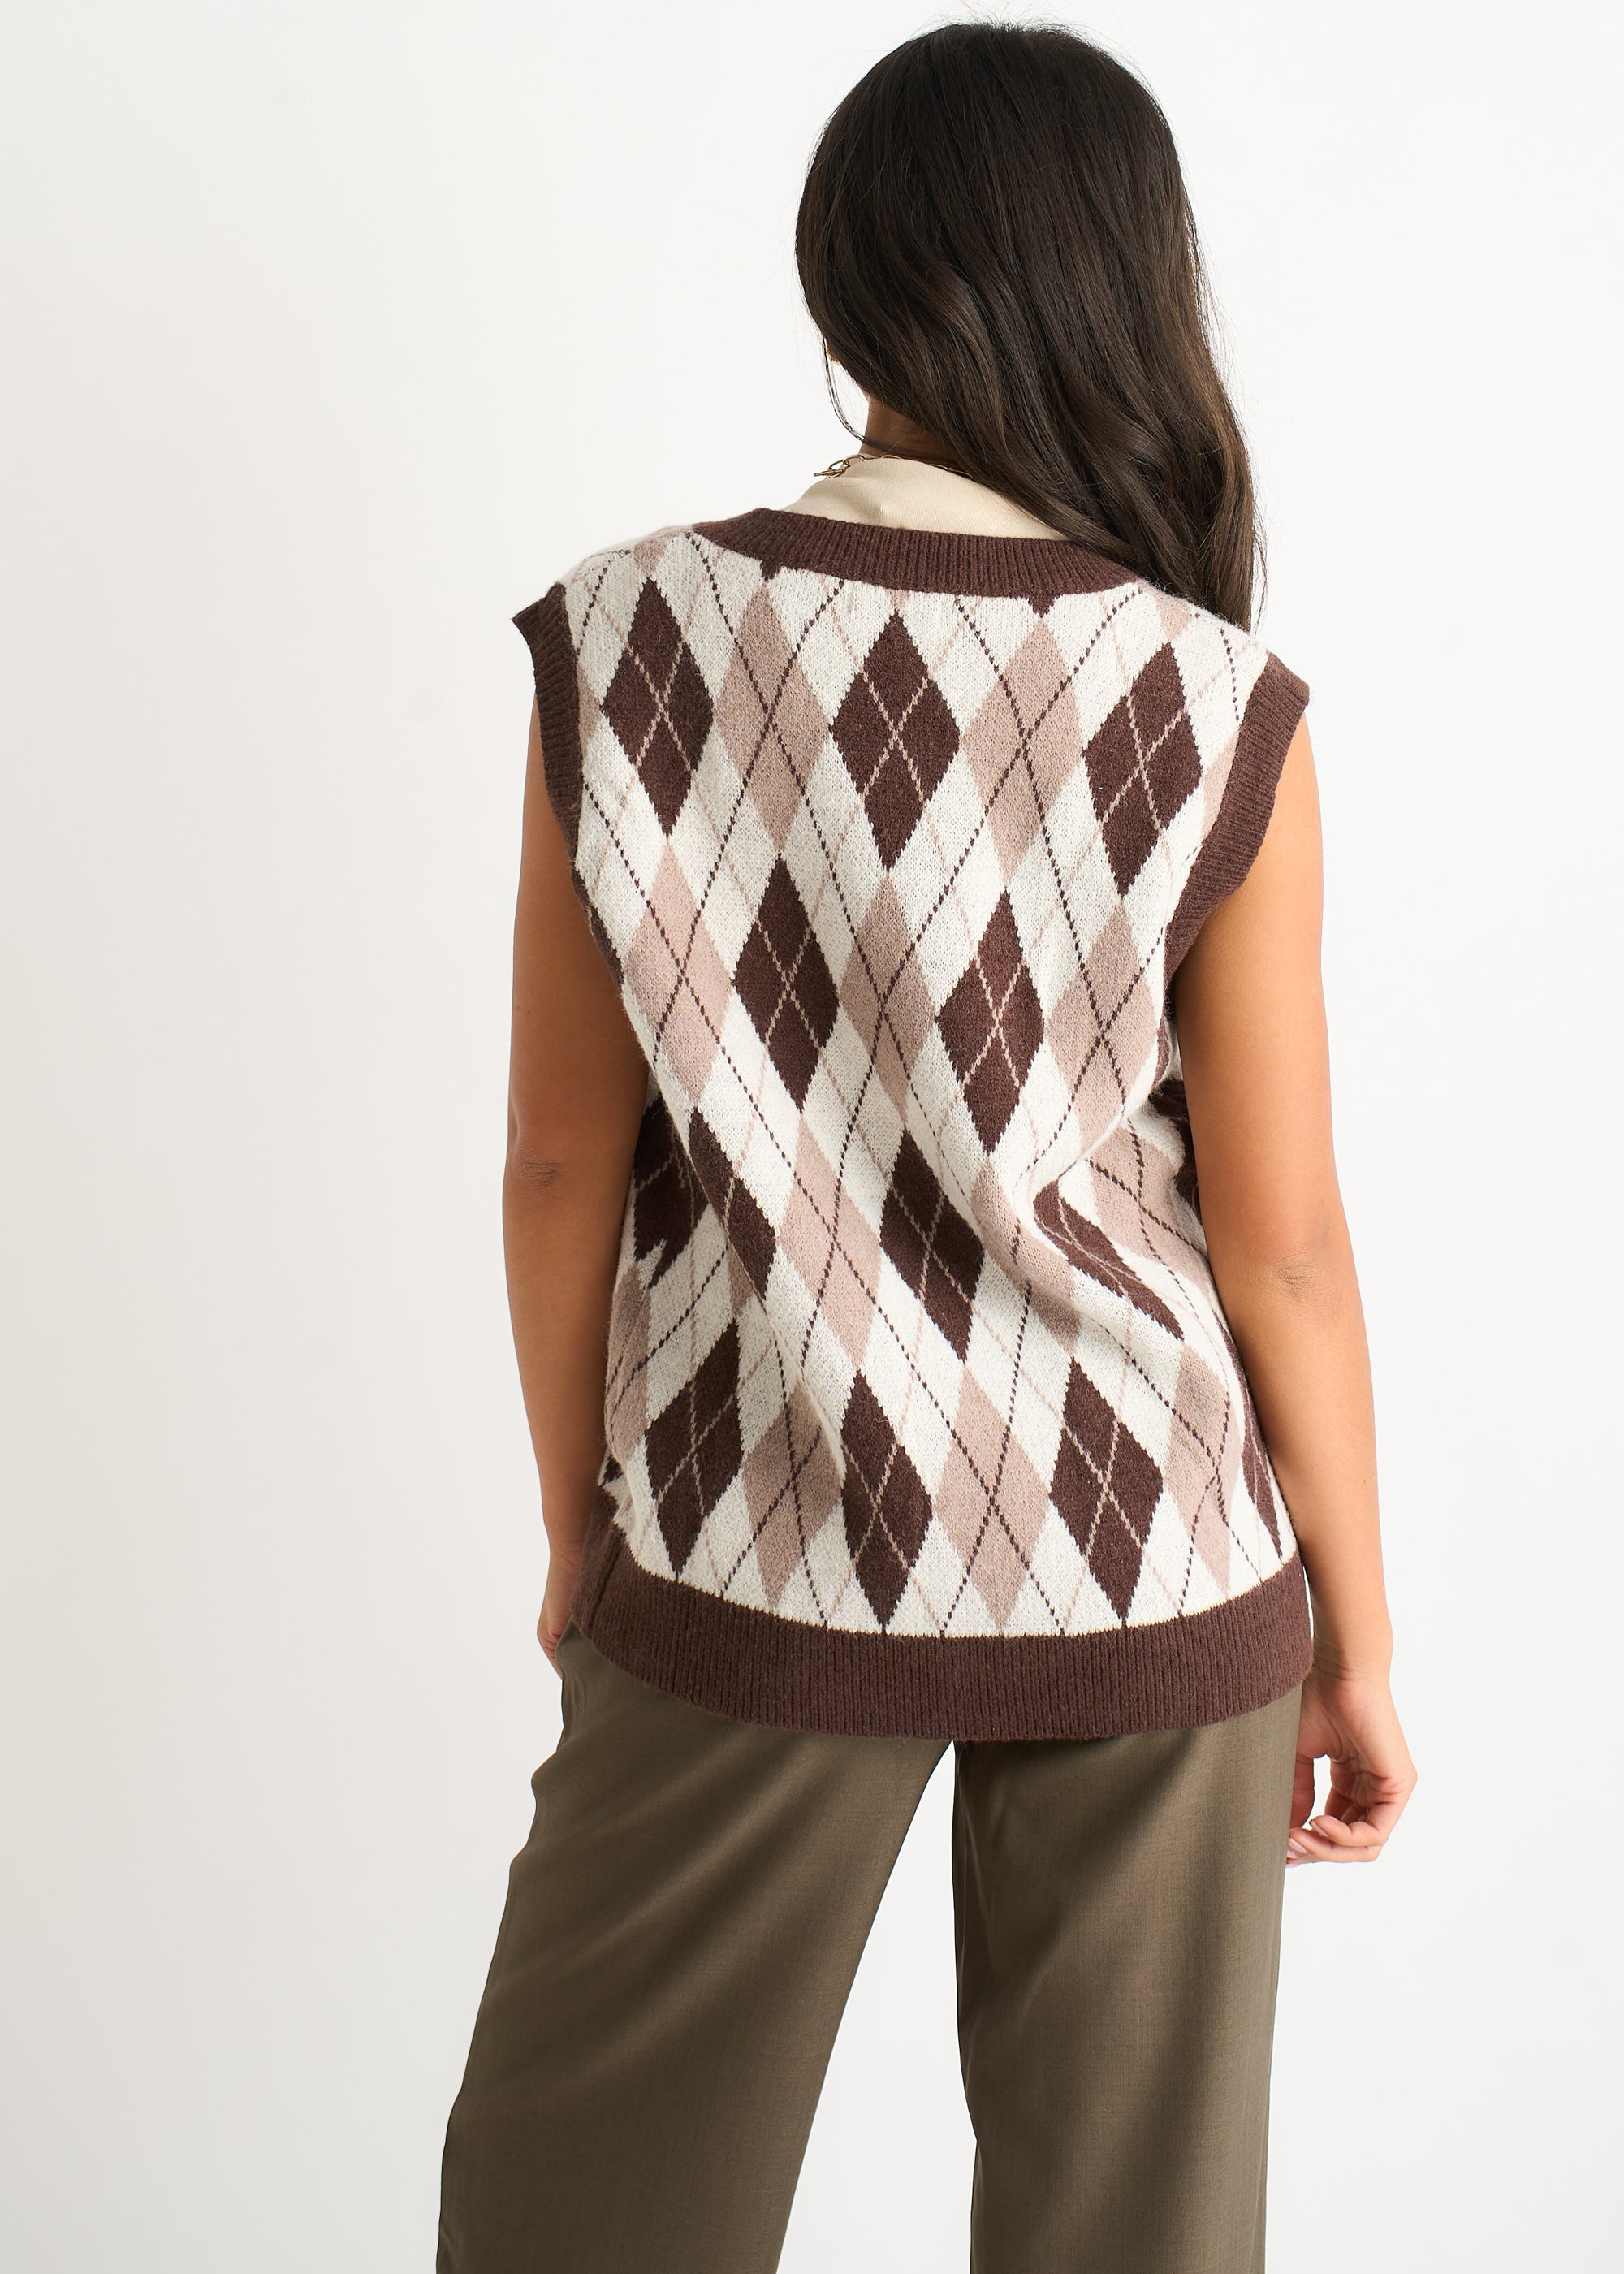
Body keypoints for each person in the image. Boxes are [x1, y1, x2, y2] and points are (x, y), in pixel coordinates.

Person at [437, 22, 1415, 2274]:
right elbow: (1281, 1244)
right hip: (1151, 1551)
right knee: (1139, 2237)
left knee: (581, 2212)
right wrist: (1356, 1640)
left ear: (844, 274)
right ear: (1130, 282)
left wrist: (583, 1510)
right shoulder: (1211, 700)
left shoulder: (631, 635)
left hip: (748, 1524)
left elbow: (561, 1160)